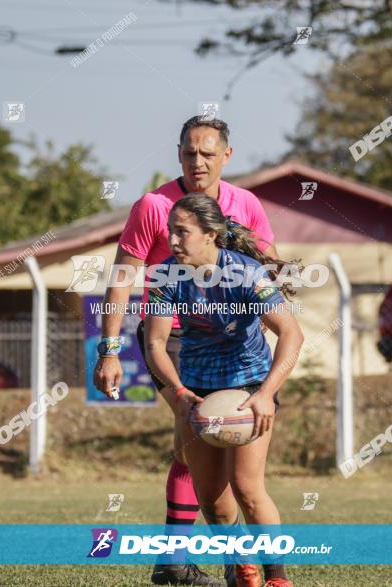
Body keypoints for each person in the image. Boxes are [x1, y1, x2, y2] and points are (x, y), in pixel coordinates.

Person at [93, 116, 278, 586]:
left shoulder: (247, 204)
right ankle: (203, 562)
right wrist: (109, 350)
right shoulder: (153, 206)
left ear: (226, 157)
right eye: (190, 152)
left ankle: (187, 560)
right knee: (196, 436)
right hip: (174, 337)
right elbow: (122, 278)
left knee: (195, 449)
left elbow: (266, 268)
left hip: (234, 340)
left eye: (208, 153)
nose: (198, 161)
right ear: (178, 153)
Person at [144, 193, 304, 587]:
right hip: (196, 388)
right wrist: (179, 392)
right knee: (213, 500)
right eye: (170, 232)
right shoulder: (167, 274)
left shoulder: (246, 273)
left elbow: (292, 335)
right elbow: (154, 345)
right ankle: (242, 568)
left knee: (248, 489)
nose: (173, 240)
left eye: (182, 232)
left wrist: (266, 394)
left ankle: (278, 579)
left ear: (211, 235)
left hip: (249, 386)